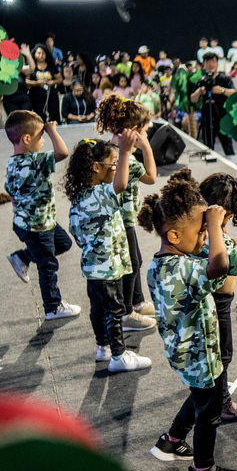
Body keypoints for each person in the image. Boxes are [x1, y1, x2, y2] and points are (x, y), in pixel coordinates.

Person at [140, 170, 237, 471]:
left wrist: (208, 231)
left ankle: (171, 440)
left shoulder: (160, 265)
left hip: (184, 356)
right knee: (209, 414)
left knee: (200, 399)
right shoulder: (185, 269)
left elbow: (207, 262)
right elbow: (221, 267)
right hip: (200, 357)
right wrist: (214, 226)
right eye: (199, 232)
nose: (204, 239)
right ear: (174, 236)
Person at [63, 134, 152, 373]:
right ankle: (119, 356)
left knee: (97, 310)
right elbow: (120, 185)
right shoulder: (100, 194)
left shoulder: (79, 198)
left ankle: (103, 348)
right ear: (96, 167)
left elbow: (77, 235)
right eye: (112, 164)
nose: (116, 168)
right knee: (114, 311)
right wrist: (124, 152)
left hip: (92, 270)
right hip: (109, 269)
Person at [3, 111, 80, 321]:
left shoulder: (13, 163)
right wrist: (53, 130)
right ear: (26, 139)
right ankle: (53, 307)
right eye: (41, 135)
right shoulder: (35, 161)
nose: (44, 139)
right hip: (38, 227)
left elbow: (10, 191)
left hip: (34, 222)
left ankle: (23, 257)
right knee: (48, 265)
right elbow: (63, 152)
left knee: (63, 244)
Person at [95, 96, 159, 332]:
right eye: (145, 130)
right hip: (123, 222)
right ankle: (127, 313)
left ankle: (138, 302)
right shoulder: (127, 159)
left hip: (118, 220)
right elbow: (151, 177)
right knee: (132, 264)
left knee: (133, 261)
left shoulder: (108, 151)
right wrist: (147, 147)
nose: (147, 133)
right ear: (134, 132)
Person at [198, 172, 237, 421]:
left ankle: (212, 397)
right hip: (218, 304)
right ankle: (221, 403)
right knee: (223, 353)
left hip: (213, 301)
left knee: (215, 352)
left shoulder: (200, 231)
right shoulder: (217, 238)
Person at [190, 52, 237, 155]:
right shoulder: (202, 80)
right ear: (204, 64)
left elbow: (233, 93)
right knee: (208, 148)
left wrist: (222, 91)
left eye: (213, 61)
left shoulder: (224, 78)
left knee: (228, 147)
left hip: (223, 116)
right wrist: (199, 91)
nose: (211, 64)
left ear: (217, 63)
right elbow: (192, 99)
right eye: (208, 62)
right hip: (208, 117)